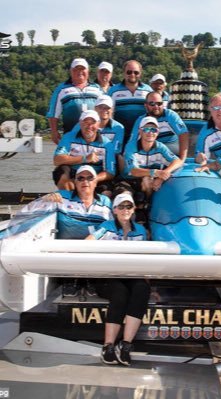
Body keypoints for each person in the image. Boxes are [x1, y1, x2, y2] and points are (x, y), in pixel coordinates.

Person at [23, 165, 113, 297]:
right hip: (68, 249)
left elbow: (111, 225)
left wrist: (94, 237)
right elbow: (31, 210)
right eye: (80, 178)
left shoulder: (105, 201)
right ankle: (71, 280)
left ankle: (91, 279)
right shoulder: (62, 197)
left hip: (94, 246)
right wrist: (44, 200)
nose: (85, 182)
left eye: (89, 178)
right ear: (75, 182)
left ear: (95, 182)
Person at [85, 192, 150, 366]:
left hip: (132, 275)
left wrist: (146, 279)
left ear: (134, 209)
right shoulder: (106, 227)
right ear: (114, 210)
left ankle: (126, 345)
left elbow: (145, 258)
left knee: (142, 289)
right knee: (120, 293)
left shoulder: (141, 230)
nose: (125, 210)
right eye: (121, 206)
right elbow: (88, 241)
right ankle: (108, 346)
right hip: (108, 276)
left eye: (129, 206)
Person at [53, 110, 116, 192]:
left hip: (95, 176)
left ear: (98, 124)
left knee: (106, 191)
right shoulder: (68, 137)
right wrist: (84, 158)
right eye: (86, 122)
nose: (89, 126)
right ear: (80, 123)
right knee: (61, 171)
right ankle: (66, 197)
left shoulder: (107, 144)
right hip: (74, 174)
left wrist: (93, 179)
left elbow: (110, 172)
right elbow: (57, 160)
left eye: (93, 123)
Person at [122, 116, 183, 199]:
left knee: (148, 181)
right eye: (146, 129)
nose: (150, 132)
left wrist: (163, 175)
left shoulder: (160, 147)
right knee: (124, 195)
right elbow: (134, 171)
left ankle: (147, 206)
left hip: (151, 182)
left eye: (153, 129)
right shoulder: (131, 147)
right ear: (140, 131)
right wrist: (156, 173)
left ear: (157, 133)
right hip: (129, 181)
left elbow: (178, 161)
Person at [47, 58, 102, 144]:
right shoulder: (61, 89)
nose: (79, 72)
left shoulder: (97, 88)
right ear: (71, 71)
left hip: (94, 135)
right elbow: (53, 113)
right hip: (71, 135)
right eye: (76, 69)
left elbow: (105, 110)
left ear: (88, 71)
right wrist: (54, 132)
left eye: (82, 69)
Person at [128, 92, 189, 160]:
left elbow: (183, 134)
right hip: (152, 151)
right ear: (146, 105)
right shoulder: (140, 120)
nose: (156, 107)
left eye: (159, 103)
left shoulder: (170, 115)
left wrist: (182, 159)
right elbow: (132, 142)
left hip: (171, 148)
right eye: (152, 104)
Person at [108, 60, 152, 144]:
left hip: (142, 135)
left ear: (140, 73)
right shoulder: (113, 91)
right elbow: (108, 113)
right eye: (129, 72)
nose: (132, 75)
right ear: (124, 73)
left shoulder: (148, 90)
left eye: (136, 72)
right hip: (120, 134)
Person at [94, 94, 125, 160]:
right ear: (95, 109)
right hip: (90, 159)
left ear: (112, 109)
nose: (104, 110)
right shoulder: (85, 124)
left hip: (110, 159)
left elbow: (116, 150)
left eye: (107, 108)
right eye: (101, 107)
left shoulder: (119, 128)